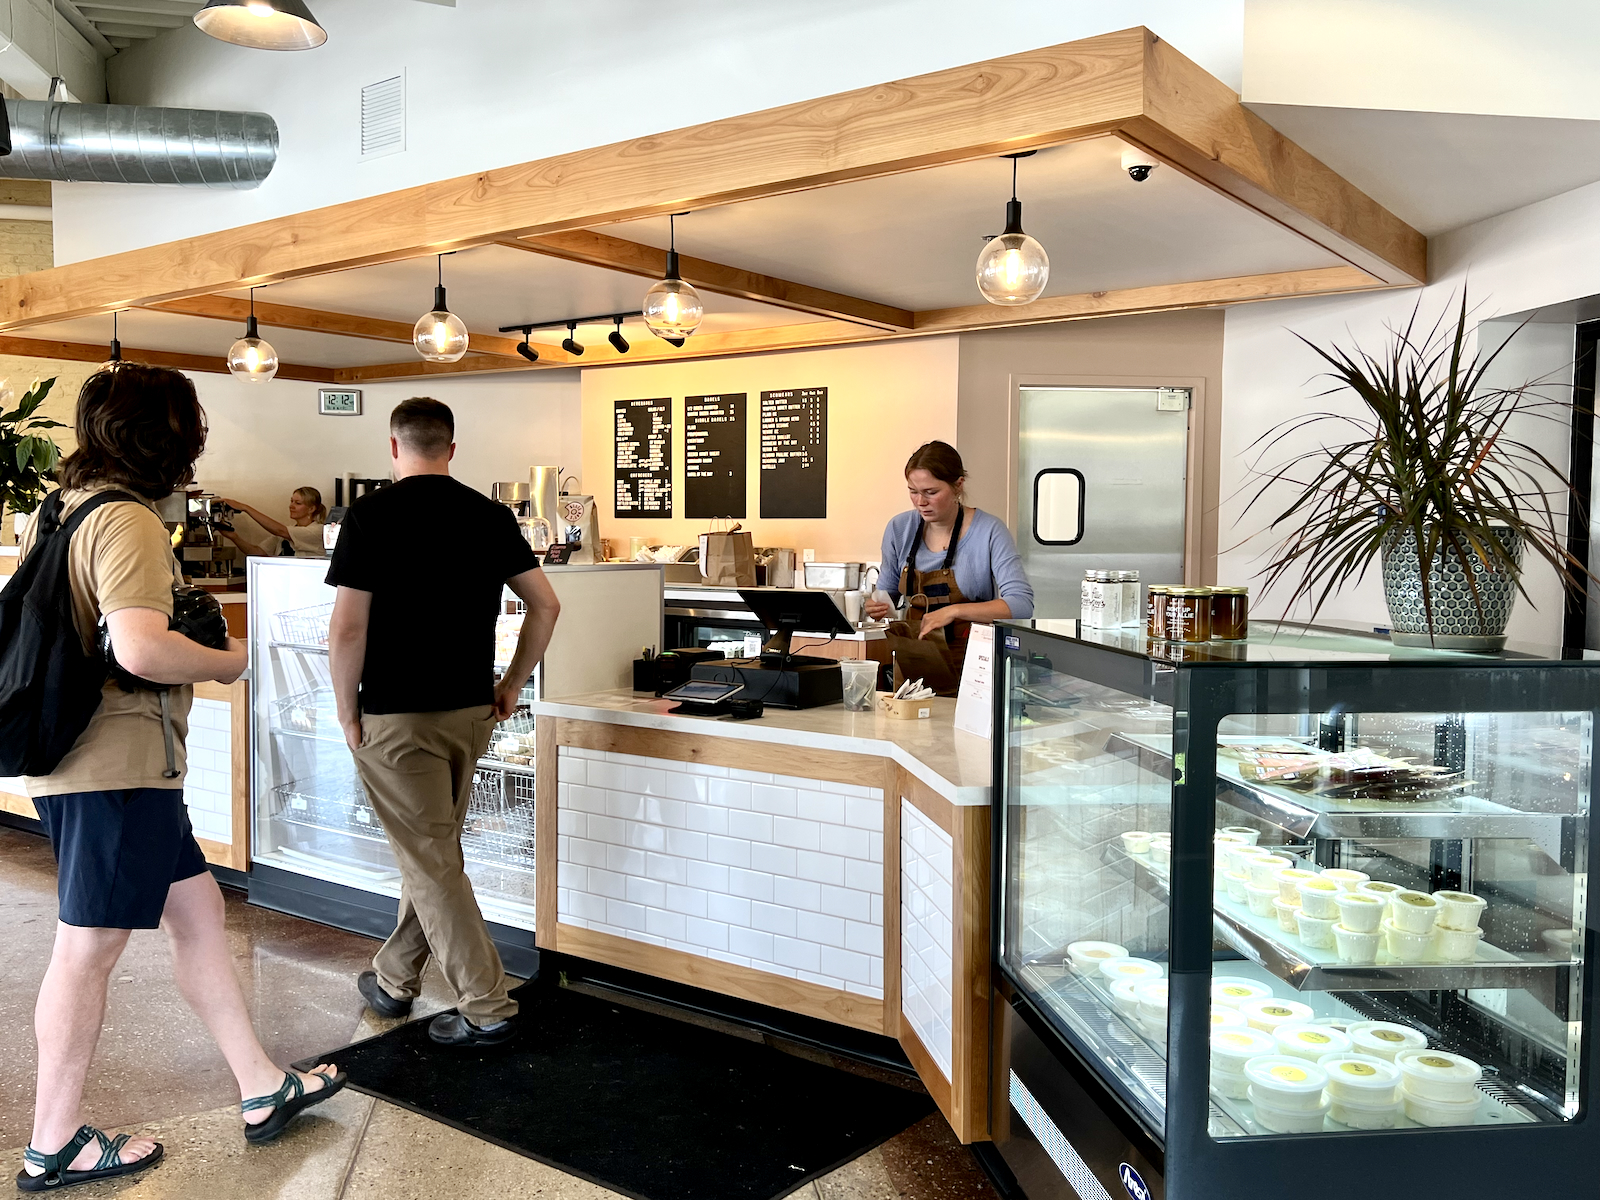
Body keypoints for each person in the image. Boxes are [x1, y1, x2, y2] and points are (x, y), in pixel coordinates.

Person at [17, 365, 343, 1193]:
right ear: (167, 433)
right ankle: (51, 1144)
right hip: (115, 769)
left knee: (197, 912)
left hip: (110, 768)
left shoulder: (58, 510)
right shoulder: (125, 518)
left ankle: (261, 1085)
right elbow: (137, 648)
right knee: (86, 952)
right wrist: (231, 662)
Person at [326, 397, 560, 1047]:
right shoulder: (488, 516)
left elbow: (347, 627)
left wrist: (347, 710)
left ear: (393, 448)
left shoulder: (370, 517)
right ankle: (395, 977)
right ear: (451, 449)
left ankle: (487, 1004)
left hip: (395, 718)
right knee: (434, 855)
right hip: (469, 712)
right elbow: (545, 605)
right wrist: (511, 684)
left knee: (431, 861)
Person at [864, 441, 1033, 692]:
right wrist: (875, 604)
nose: (920, 501)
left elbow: (1021, 604)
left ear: (958, 486)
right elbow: (888, 590)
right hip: (912, 669)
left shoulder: (989, 531)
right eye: (913, 491)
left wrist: (953, 611)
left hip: (973, 667)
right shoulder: (899, 529)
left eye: (931, 492)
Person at [219, 487, 328, 558]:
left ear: (311, 509)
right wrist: (234, 537)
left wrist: (245, 508)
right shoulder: (284, 535)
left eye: (298, 503)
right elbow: (258, 552)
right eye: (291, 501)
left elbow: (279, 530)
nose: (291, 506)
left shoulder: (317, 531)